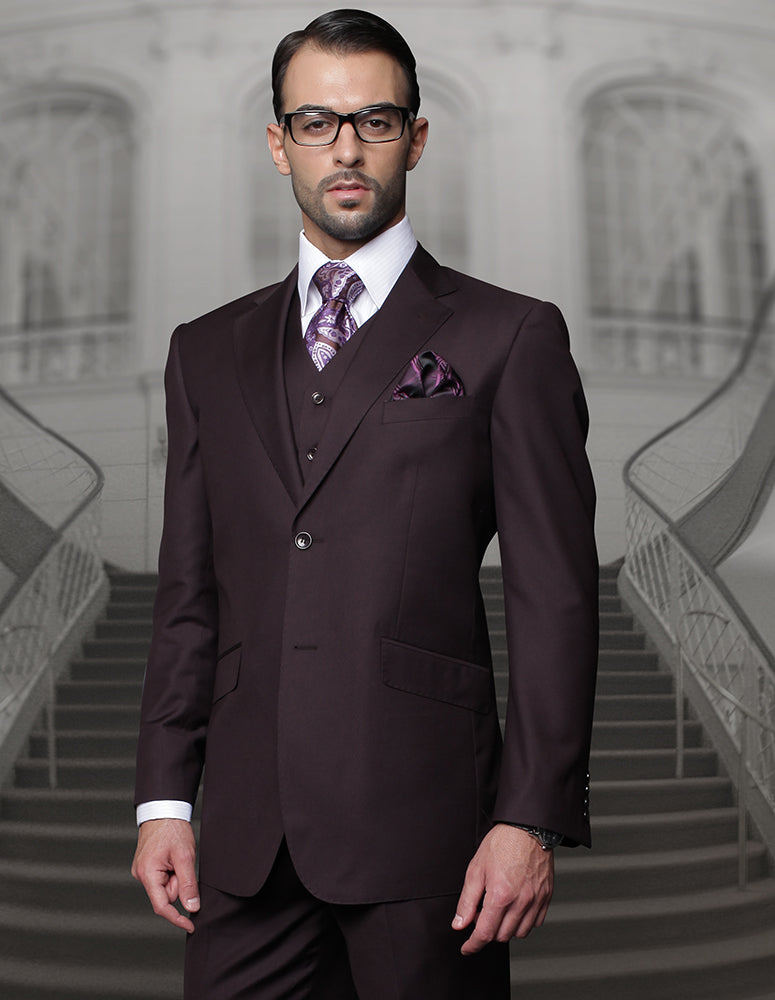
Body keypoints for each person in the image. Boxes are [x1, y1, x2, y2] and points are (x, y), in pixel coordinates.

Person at [132, 8, 598, 999]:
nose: (345, 149)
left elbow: (553, 596)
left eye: (375, 121)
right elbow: (189, 593)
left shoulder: (509, 336)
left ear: (415, 139)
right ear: (278, 143)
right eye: (314, 122)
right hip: (249, 845)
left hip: (428, 839)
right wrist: (165, 798)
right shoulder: (203, 351)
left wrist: (529, 815)